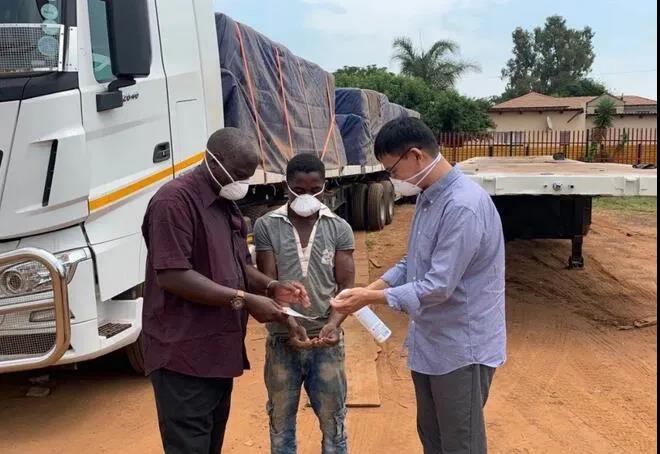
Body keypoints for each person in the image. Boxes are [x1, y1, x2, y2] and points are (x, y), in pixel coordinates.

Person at [332, 118, 507, 454]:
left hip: (461, 348)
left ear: (415, 156)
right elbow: (412, 261)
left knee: (461, 444)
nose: (393, 179)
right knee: (432, 436)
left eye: (392, 170)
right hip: (432, 342)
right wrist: (371, 289)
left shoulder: (462, 206)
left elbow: (437, 286)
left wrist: (371, 297)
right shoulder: (430, 198)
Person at [141, 128, 309, 454]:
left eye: (247, 176)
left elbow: (239, 265)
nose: (241, 183)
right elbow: (172, 275)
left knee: (210, 445)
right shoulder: (173, 202)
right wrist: (244, 299)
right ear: (214, 161)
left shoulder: (226, 203)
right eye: (237, 175)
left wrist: (272, 286)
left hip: (219, 352)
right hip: (183, 356)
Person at [254, 154, 356, 454]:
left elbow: (346, 287)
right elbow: (267, 283)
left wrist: (333, 325)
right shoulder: (267, 225)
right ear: (286, 187)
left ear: (325, 186)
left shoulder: (339, 228)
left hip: (326, 343)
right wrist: (290, 323)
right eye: (299, 190)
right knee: (280, 423)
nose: (306, 196)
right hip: (282, 339)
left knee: (333, 424)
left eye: (314, 189)